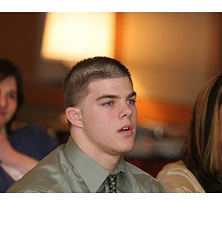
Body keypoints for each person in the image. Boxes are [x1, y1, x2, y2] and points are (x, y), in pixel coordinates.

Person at [8, 56, 165, 193]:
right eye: (109, 103)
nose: (127, 111)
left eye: (130, 100)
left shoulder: (150, 188)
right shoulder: (38, 194)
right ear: (76, 117)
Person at [0, 58, 58, 192]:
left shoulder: (36, 137)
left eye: (11, 95)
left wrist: (12, 157)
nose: (3, 103)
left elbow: (71, 187)